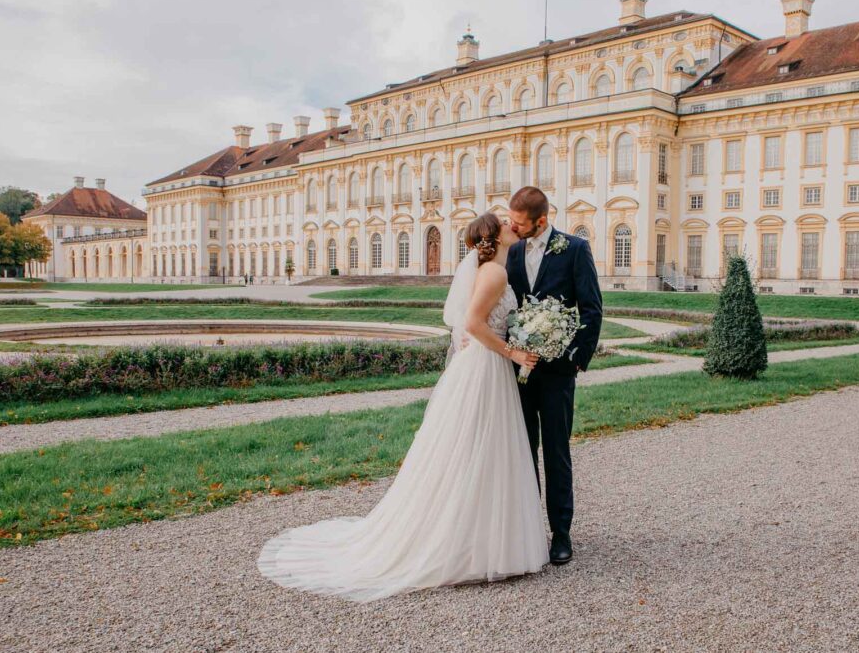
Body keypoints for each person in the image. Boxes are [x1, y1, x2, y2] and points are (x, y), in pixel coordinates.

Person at [258, 212, 548, 601]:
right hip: (486, 367)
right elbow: (476, 324)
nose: (513, 225)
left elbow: (475, 325)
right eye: (505, 223)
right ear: (494, 237)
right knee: (479, 448)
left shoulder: (494, 269)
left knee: (478, 451)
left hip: (485, 365)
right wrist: (513, 352)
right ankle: (475, 544)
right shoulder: (494, 274)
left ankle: (478, 539)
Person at [505, 186, 603, 566]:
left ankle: (562, 534)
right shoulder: (512, 251)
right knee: (522, 451)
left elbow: (592, 309)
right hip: (517, 371)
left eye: (518, 222)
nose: (512, 227)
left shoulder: (574, 249)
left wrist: (576, 359)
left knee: (557, 453)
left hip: (559, 372)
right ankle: (529, 532)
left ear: (541, 221)